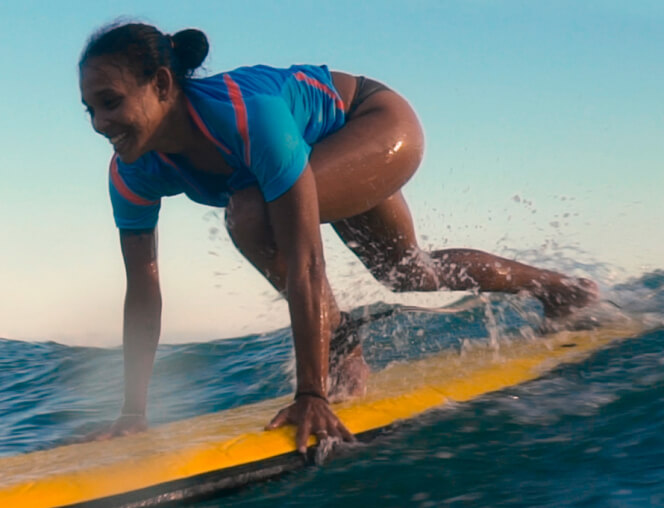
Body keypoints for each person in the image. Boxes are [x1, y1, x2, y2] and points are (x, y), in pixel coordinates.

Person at [79, 23, 597, 452]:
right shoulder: (131, 171)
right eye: (90, 109)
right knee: (410, 272)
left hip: (372, 120)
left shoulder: (246, 117)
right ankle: (560, 289)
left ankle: (343, 344)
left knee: (250, 211)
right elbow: (143, 292)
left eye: (111, 102)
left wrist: (311, 393)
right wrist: (132, 411)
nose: (101, 123)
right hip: (314, 146)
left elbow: (305, 261)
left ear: (163, 85)